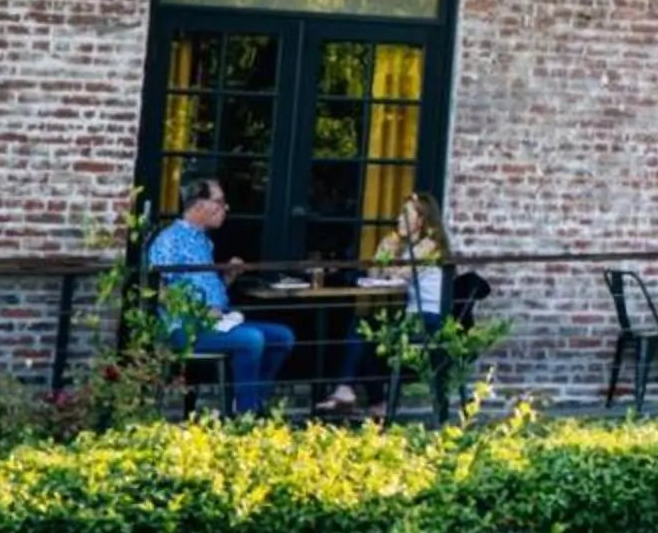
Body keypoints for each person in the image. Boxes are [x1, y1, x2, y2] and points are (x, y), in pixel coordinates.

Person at [147, 175, 298, 413]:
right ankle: (246, 415)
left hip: (218, 322)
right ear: (198, 205)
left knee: (282, 337)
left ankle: (254, 400)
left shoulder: (204, 242)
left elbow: (209, 292)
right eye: (219, 201)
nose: (225, 207)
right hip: (186, 328)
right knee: (251, 339)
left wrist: (228, 278)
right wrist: (198, 311)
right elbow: (160, 291)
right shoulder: (169, 241)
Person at [321, 191, 452, 420]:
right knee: (363, 330)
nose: (398, 221)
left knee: (363, 331)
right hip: (414, 318)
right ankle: (368, 399)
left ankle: (355, 392)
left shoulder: (430, 246)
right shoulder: (410, 247)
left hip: (427, 322)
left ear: (421, 221)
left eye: (405, 215)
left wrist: (387, 251)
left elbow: (397, 275)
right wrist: (385, 249)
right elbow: (377, 274)